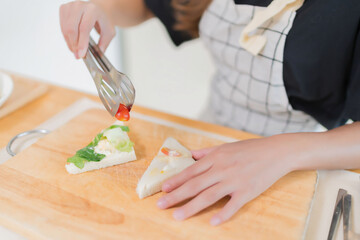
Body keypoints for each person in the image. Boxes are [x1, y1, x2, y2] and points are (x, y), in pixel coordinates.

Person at [59, 0, 360, 226]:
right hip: (207, 136)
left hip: (303, 158)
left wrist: (281, 153)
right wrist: (99, 7)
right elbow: (142, 5)